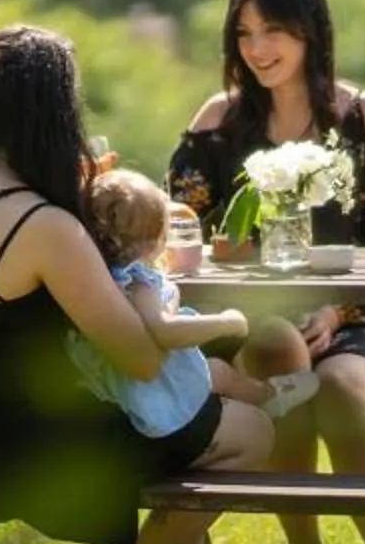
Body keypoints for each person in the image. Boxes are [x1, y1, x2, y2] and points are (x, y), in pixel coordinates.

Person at [0, 25, 275, 544]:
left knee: (190, 419)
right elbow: (139, 355)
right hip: (27, 444)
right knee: (249, 433)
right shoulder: (46, 226)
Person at [165, 0, 365, 544]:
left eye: (272, 30)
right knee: (278, 355)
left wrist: (336, 309)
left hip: (361, 325)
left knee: (337, 384)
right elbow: (181, 235)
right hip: (252, 325)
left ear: (310, 30)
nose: (257, 49)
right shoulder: (217, 124)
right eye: (244, 34)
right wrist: (234, 255)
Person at [75, 166, 321, 433]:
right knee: (220, 372)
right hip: (151, 395)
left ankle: (258, 398)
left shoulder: (99, 275)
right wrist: (228, 322)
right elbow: (164, 331)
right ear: (153, 241)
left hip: (123, 387)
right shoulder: (139, 283)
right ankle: (267, 396)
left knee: (215, 368)